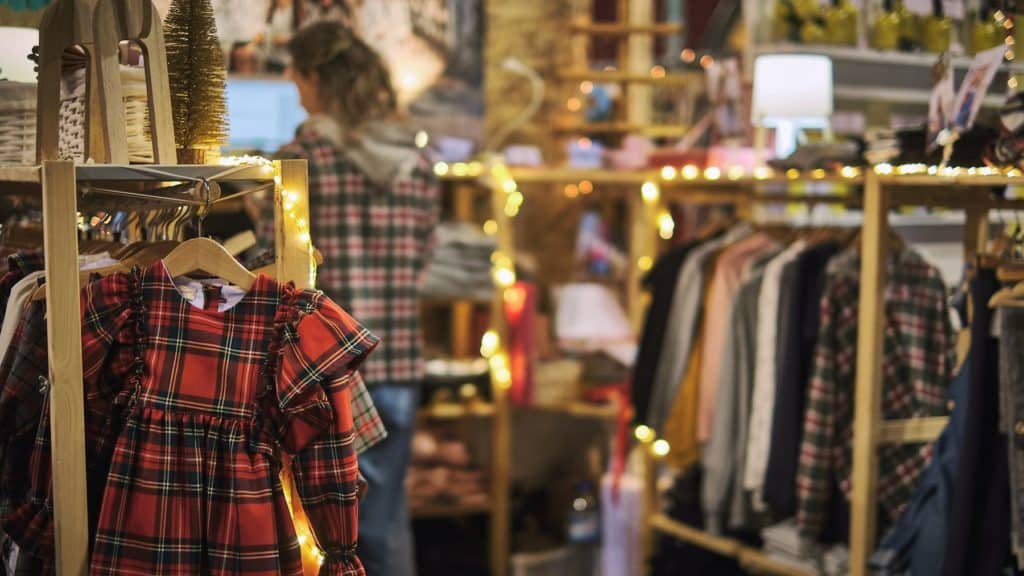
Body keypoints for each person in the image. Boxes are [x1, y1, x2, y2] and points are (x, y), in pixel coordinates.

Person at [268, 20, 440, 576]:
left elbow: (281, 262)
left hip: (329, 371)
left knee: (323, 536)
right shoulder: (418, 163)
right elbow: (423, 257)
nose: (296, 89)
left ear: (316, 77)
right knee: (387, 526)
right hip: (400, 364)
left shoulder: (301, 159)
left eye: (296, 78)